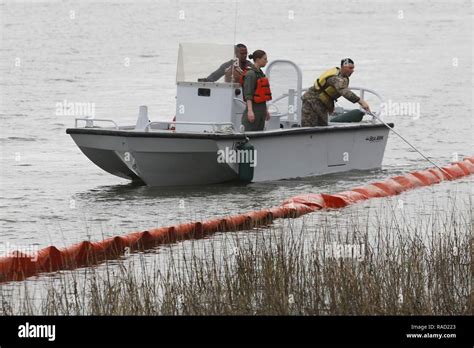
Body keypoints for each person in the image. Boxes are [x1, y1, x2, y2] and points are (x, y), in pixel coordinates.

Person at [301, 58, 371, 127]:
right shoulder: (336, 78)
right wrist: (361, 101)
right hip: (311, 101)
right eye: (350, 68)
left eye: (353, 68)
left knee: (322, 127)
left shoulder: (343, 77)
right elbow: (344, 91)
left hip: (322, 104)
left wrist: (330, 105)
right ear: (343, 67)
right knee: (309, 127)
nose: (352, 70)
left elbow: (329, 94)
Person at [241, 50, 272, 132]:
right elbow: (248, 95)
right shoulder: (251, 74)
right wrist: (250, 111)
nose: (266, 61)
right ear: (258, 59)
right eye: (264, 59)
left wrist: (265, 111)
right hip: (253, 111)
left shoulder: (260, 74)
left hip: (261, 112)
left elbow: (262, 96)